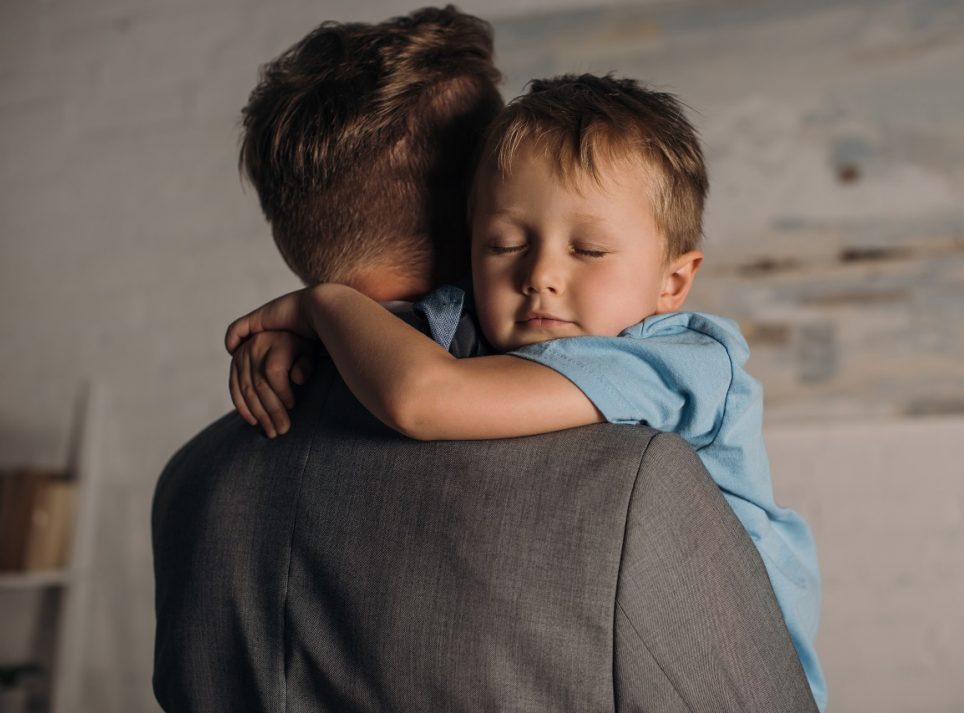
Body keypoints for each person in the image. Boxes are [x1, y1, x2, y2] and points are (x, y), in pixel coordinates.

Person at [155, 7, 818, 711]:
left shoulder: (191, 483)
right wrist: (320, 311)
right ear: (467, 212)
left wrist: (323, 307)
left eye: (585, 244)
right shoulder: (632, 480)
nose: (542, 272)